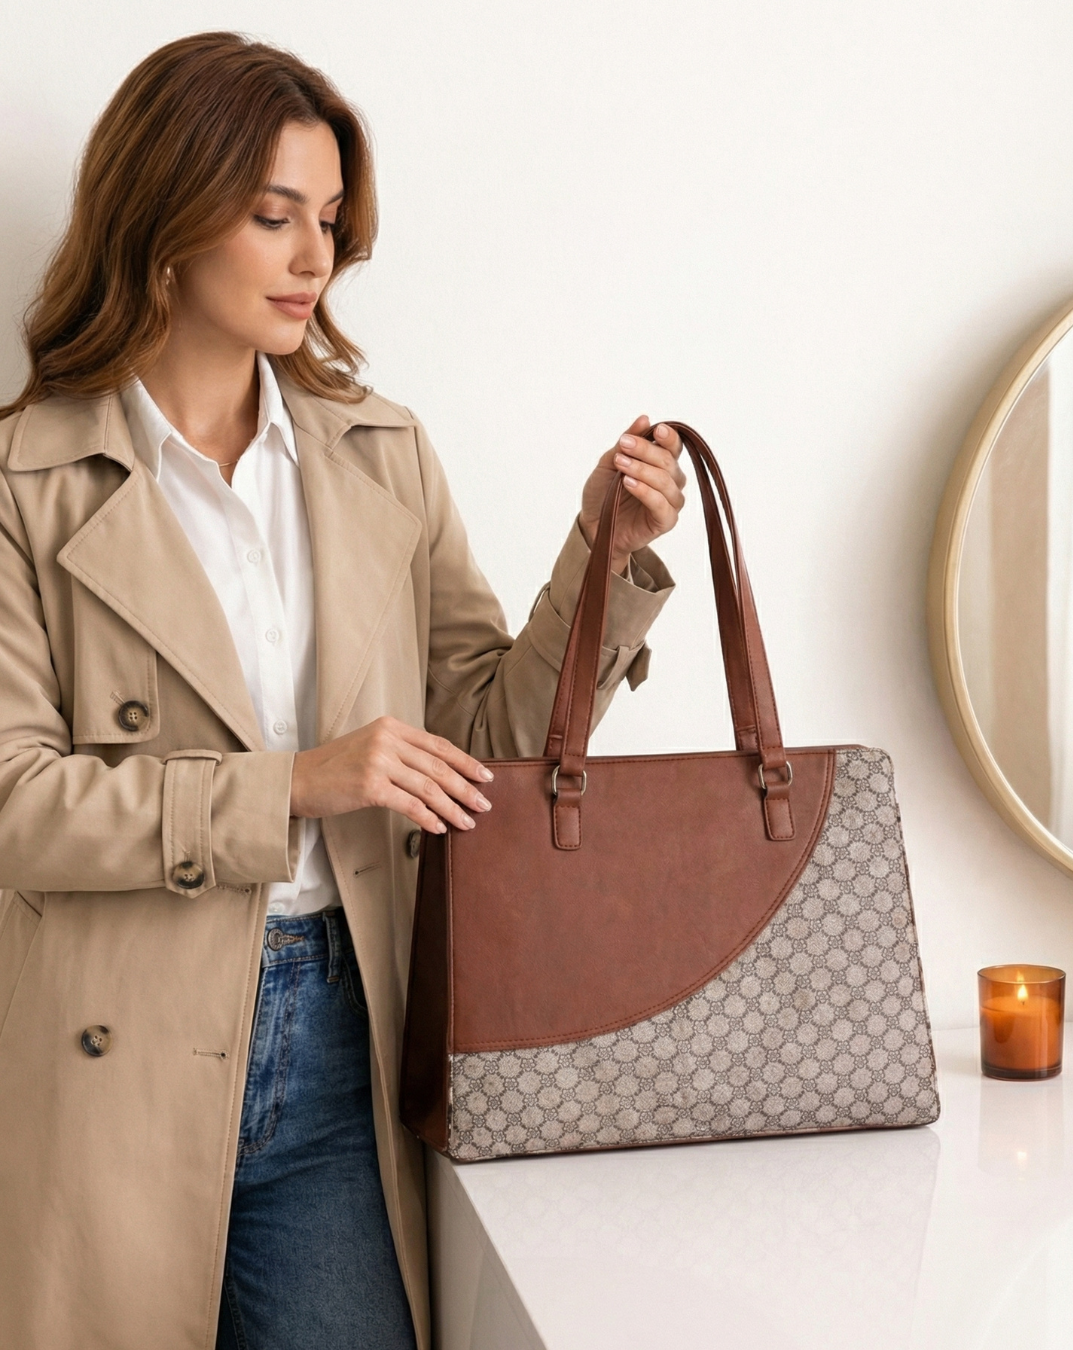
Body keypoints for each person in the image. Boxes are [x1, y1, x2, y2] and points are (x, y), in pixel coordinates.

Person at [0, 30, 684, 1350]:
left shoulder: (378, 454)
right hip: (117, 1048)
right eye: (272, 217)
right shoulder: (26, 482)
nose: (315, 257)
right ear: (162, 216)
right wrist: (301, 781)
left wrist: (600, 559)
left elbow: (477, 739)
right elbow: (19, 802)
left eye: (328, 221)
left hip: (341, 1033)